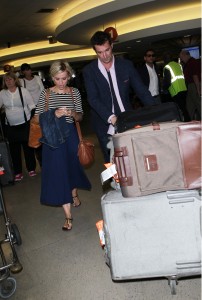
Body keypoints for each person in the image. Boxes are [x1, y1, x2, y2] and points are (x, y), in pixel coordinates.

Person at [35, 60, 91, 231]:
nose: (61, 82)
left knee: (72, 168)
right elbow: (37, 118)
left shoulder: (74, 93)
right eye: (57, 79)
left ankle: (74, 193)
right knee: (59, 173)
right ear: (52, 77)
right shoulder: (45, 94)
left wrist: (72, 113)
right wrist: (54, 113)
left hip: (71, 135)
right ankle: (68, 216)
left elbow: (80, 116)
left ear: (69, 76)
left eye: (64, 79)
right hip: (53, 138)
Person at [83, 31, 155, 163]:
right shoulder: (89, 71)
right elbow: (93, 98)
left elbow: (142, 91)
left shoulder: (126, 65)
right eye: (99, 52)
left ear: (112, 46)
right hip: (104, 123)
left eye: (107, 50)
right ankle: (113, 183)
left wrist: (155, 110)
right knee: (111, 160)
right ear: (95, 51)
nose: (104, 55)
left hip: (126, 118)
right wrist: (111, 118)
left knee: (132, 156)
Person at [0, 72, 37, 181]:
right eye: (6, 80)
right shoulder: (2, 93)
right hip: (10, 126)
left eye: (10, 79)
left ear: (15, 80)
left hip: (24, 124)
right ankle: (18, 172)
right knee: (14, 150)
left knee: (28, 148)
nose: (9, 82)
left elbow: (31, 105)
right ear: (4, 82)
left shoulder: (23, 91)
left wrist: (33, 119)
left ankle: (31, 169)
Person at [19, 63, 44, 166]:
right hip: (31, 109)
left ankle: (46, 154)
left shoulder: (37, 78)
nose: (27, 72)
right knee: (35, 132)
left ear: (30, 70)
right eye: (24, 70)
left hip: (41, 106)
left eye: (28, 69)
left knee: (45, 131)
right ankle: (39, 156)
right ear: (22, 72)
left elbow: (42, 91)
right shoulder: (21, 81)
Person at [163, 52, 190, 122]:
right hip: (183, 89)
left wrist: (164, 89)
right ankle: (187, 121)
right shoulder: (179, 65)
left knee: (180, 109)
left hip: (175, 91)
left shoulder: (167, 67)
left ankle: (185, 122)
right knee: (184, 107)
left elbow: (167, 81)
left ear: (165, 59)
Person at [179, 50, 201, 120]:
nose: (181, 59)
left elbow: (195, 76)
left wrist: (198, 89)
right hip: (191, 86)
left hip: (194, 85)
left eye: (181, 57)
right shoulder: (189, 63)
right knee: (189, 106)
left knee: (199, 104)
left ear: (186, 55)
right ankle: (189, 122)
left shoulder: (192, 62)